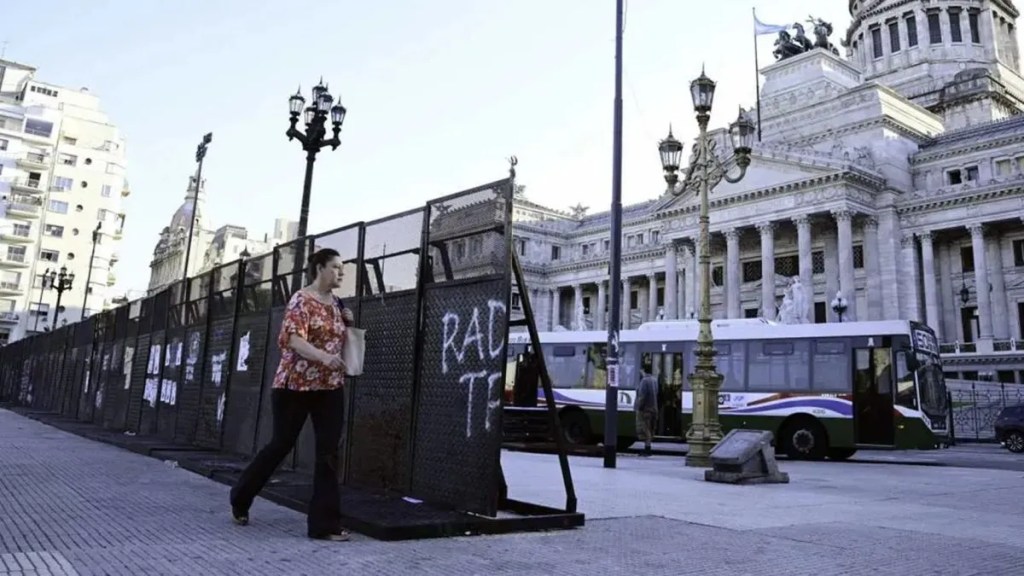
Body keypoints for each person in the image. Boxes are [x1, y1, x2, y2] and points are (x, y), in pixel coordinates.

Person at [230, 247, 355, 542]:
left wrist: (346, 321)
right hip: (294, 386)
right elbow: (293, 340)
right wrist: (323, 357)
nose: (341, 272)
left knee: (328, 453)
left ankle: (325, 525)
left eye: (342, 268)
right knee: (280, 445)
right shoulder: (301, 300)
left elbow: (336, 337)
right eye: (336, 267)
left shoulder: (337, 303)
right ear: (320, 268)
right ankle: (240, 496)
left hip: (330, 387)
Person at [635, 359, 659, 457]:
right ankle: (647, 447)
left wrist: (639, 407)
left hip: (645, 409)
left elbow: (642, 396)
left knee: (645, 429)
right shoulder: (654, 380)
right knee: (650, 428)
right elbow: (656, 392)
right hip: (653, 408)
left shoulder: (644, 381)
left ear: (643, 370)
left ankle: (647, 449)